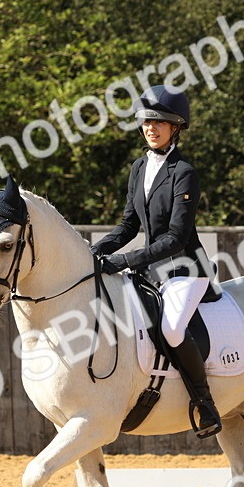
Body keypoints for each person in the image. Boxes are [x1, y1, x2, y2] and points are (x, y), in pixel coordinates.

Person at [90, 85, 223, 439]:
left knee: (172, 329)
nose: (152, 127)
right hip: (151, 271)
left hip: (185, 270)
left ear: (175, 128)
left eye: (160, 122)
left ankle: (204, 402)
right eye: (147, 121)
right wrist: (94, 251)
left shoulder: (185, 172)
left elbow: (176, 237)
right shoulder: (138, 168)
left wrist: (126, 260)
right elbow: (128, 225)